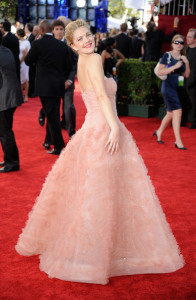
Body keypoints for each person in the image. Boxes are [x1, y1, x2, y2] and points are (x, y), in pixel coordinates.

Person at [16, 19, 184, 285]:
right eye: (80, 38)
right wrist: (115, 128)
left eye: (88, 35)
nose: (87, 40)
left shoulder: (83, 61)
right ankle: (95, 254)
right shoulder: (91, 58)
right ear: (71, 45)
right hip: (104, 126)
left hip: (91, 127)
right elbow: (104, 98)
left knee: (93, 190)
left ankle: (91, 247)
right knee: (104, 190)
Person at [25, 20, 71, 155]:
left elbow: (28, 61)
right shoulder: (62, 46)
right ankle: (50, 141)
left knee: (52, 116)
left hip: (45, 86)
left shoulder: (38, 44)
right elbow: (68, 65)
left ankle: (58, 146)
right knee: (53, 113)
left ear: (41, 30)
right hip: (58, 84)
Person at [154, 35, 190, 150]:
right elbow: (160, 72)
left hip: (178, 88)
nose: (179, 44)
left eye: (181, 42)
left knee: (170, 114)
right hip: (168, 87)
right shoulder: (167, 56)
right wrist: (174, 66)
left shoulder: (183, 57)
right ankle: (178, 141)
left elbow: (186, 75)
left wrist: (187, 63)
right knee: (178, 112)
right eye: (176, 42)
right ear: (172, 43)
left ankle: (159, 132)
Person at [0, 31, 23, 173]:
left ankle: (12, 162)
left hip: (5, 97)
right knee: (4, 130)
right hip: (11, 94)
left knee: (5, 131)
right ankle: (9, 158)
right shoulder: (6, 50)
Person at [53, 19, 77, 139]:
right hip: (54, 83)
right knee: (54, 109)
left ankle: (72, 134)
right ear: (53, 31)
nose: (59, 32)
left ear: (64, 30)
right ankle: (53, 137)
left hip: (68, 82)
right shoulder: (49, 45)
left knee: (68, 108)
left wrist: (70, 80)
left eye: (61, 29)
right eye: (57, 29)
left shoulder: (70, 45)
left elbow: (74, 65)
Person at [16, 28, 31, 103]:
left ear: (18, 34)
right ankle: (20, 95)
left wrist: (21, 61)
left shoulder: (27, 43)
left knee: (25, 79)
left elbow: (26, 53)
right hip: (19, 62)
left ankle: (26, 96)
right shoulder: (18, 42)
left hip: (24, 63)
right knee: (21, 79)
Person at [186, 28, 196, 129]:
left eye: (189, 37)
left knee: (194, 103)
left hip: (193, 83)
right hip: (185, 81)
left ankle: (194, 122)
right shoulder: (186, 49)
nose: (187, 38)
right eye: (187, 36)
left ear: (195, 39)